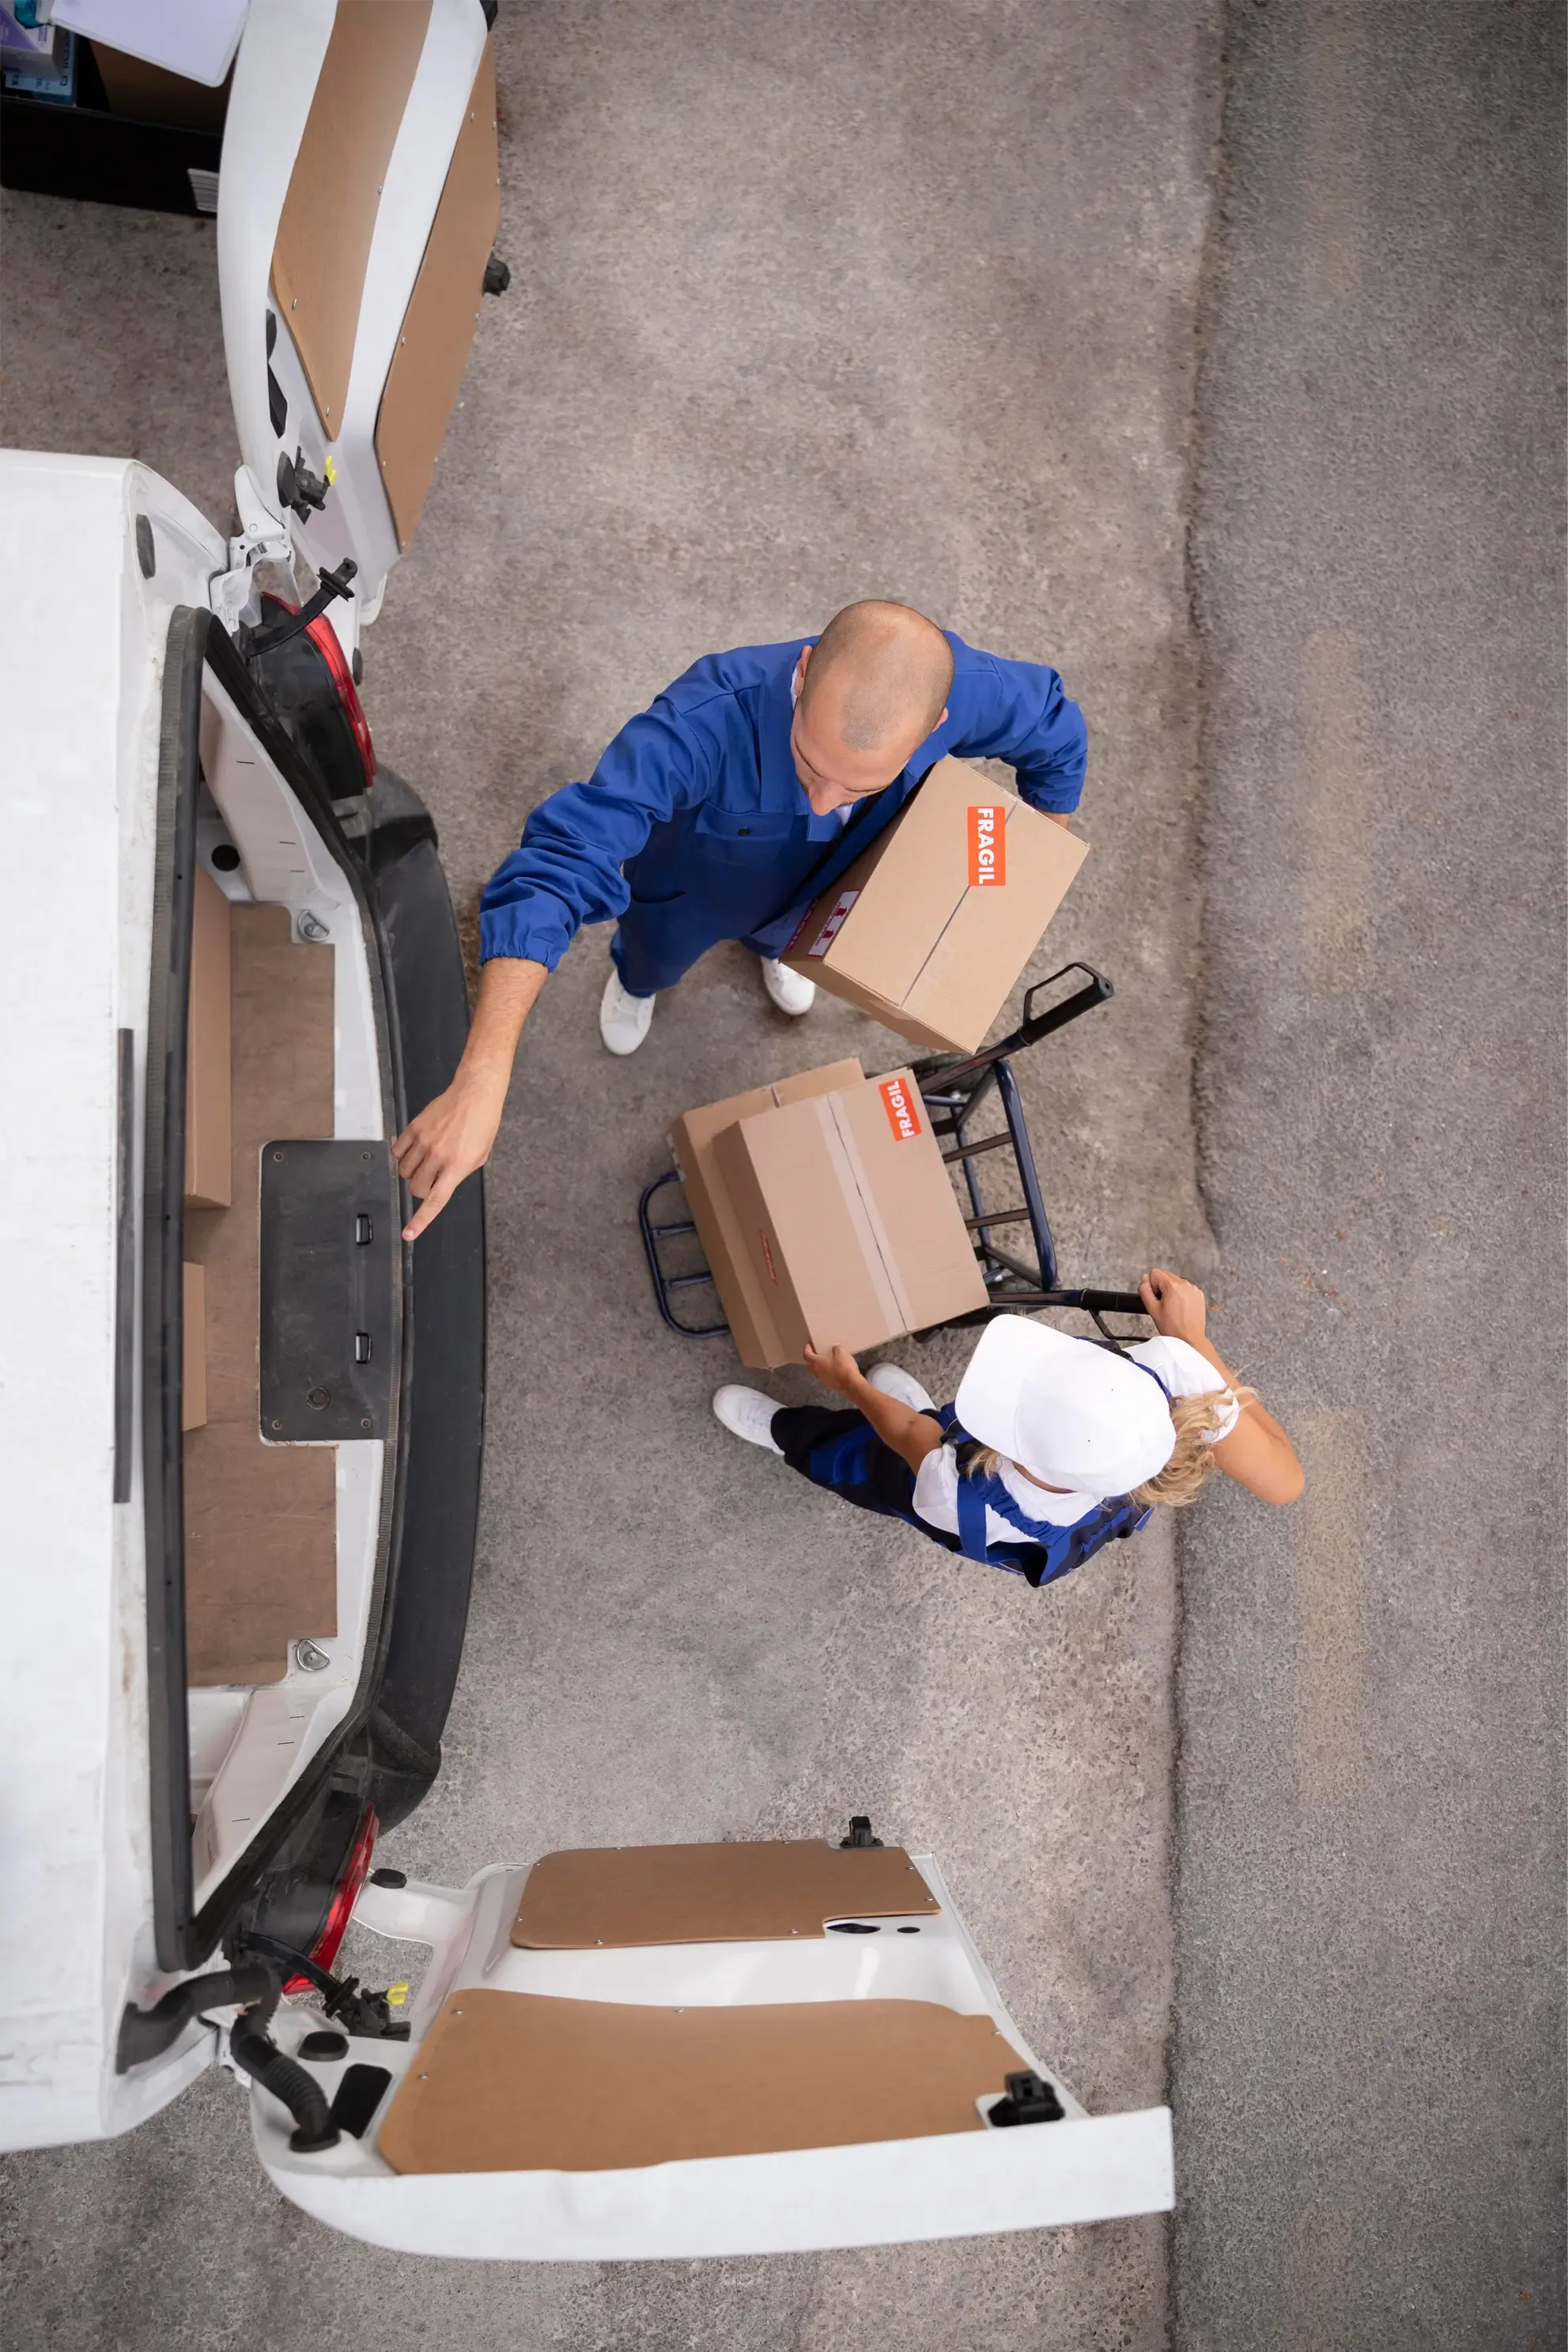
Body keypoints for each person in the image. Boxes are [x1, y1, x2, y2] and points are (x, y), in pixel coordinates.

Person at [392, 600, 1087, 1239]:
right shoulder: (701, 718)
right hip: (690, 893)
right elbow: (565, 858)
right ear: (806, 669)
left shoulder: (964, 689)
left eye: (858, 785)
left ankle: (782, 951)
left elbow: (1054, 731)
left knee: (797, 942)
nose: (822, 802)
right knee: (652, 957)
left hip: (827, 895)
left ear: (937, 724)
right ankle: (637, 983)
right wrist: (484, 1072)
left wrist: (1019, 862)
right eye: (808, 764)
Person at [711, 1269, 1303, 1588]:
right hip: (977, 1465)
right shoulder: (1172, 1382)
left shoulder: (955, 1494)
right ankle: (907, 1410)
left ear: (1012, 1451)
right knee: (924, 1433)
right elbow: (1285, 1483)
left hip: (931, 1465)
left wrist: (849, 1384)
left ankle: (786, 1432)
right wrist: (1191, 1343)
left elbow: (907, 1440)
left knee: (863, 1456)